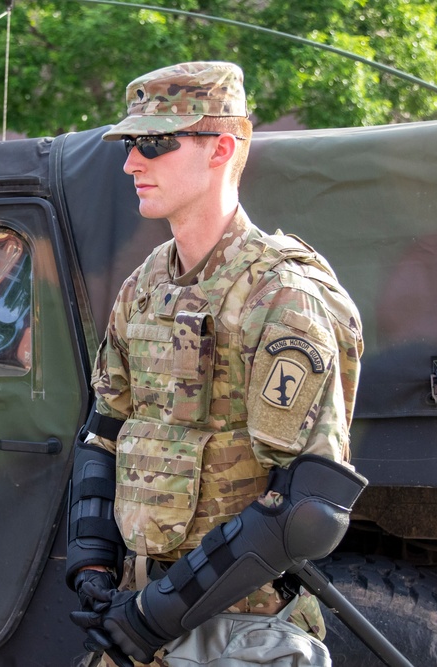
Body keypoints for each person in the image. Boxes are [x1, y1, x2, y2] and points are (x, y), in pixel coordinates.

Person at [65, 61, 367, 667]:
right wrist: (93, 562)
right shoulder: (145, 287)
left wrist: (160, 613)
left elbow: (307, 510)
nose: (131, 163)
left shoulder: (281, 297)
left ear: (221, 148)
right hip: (136, 619)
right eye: (130, 145)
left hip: (241, 631)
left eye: (153, 143)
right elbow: (104, 432)